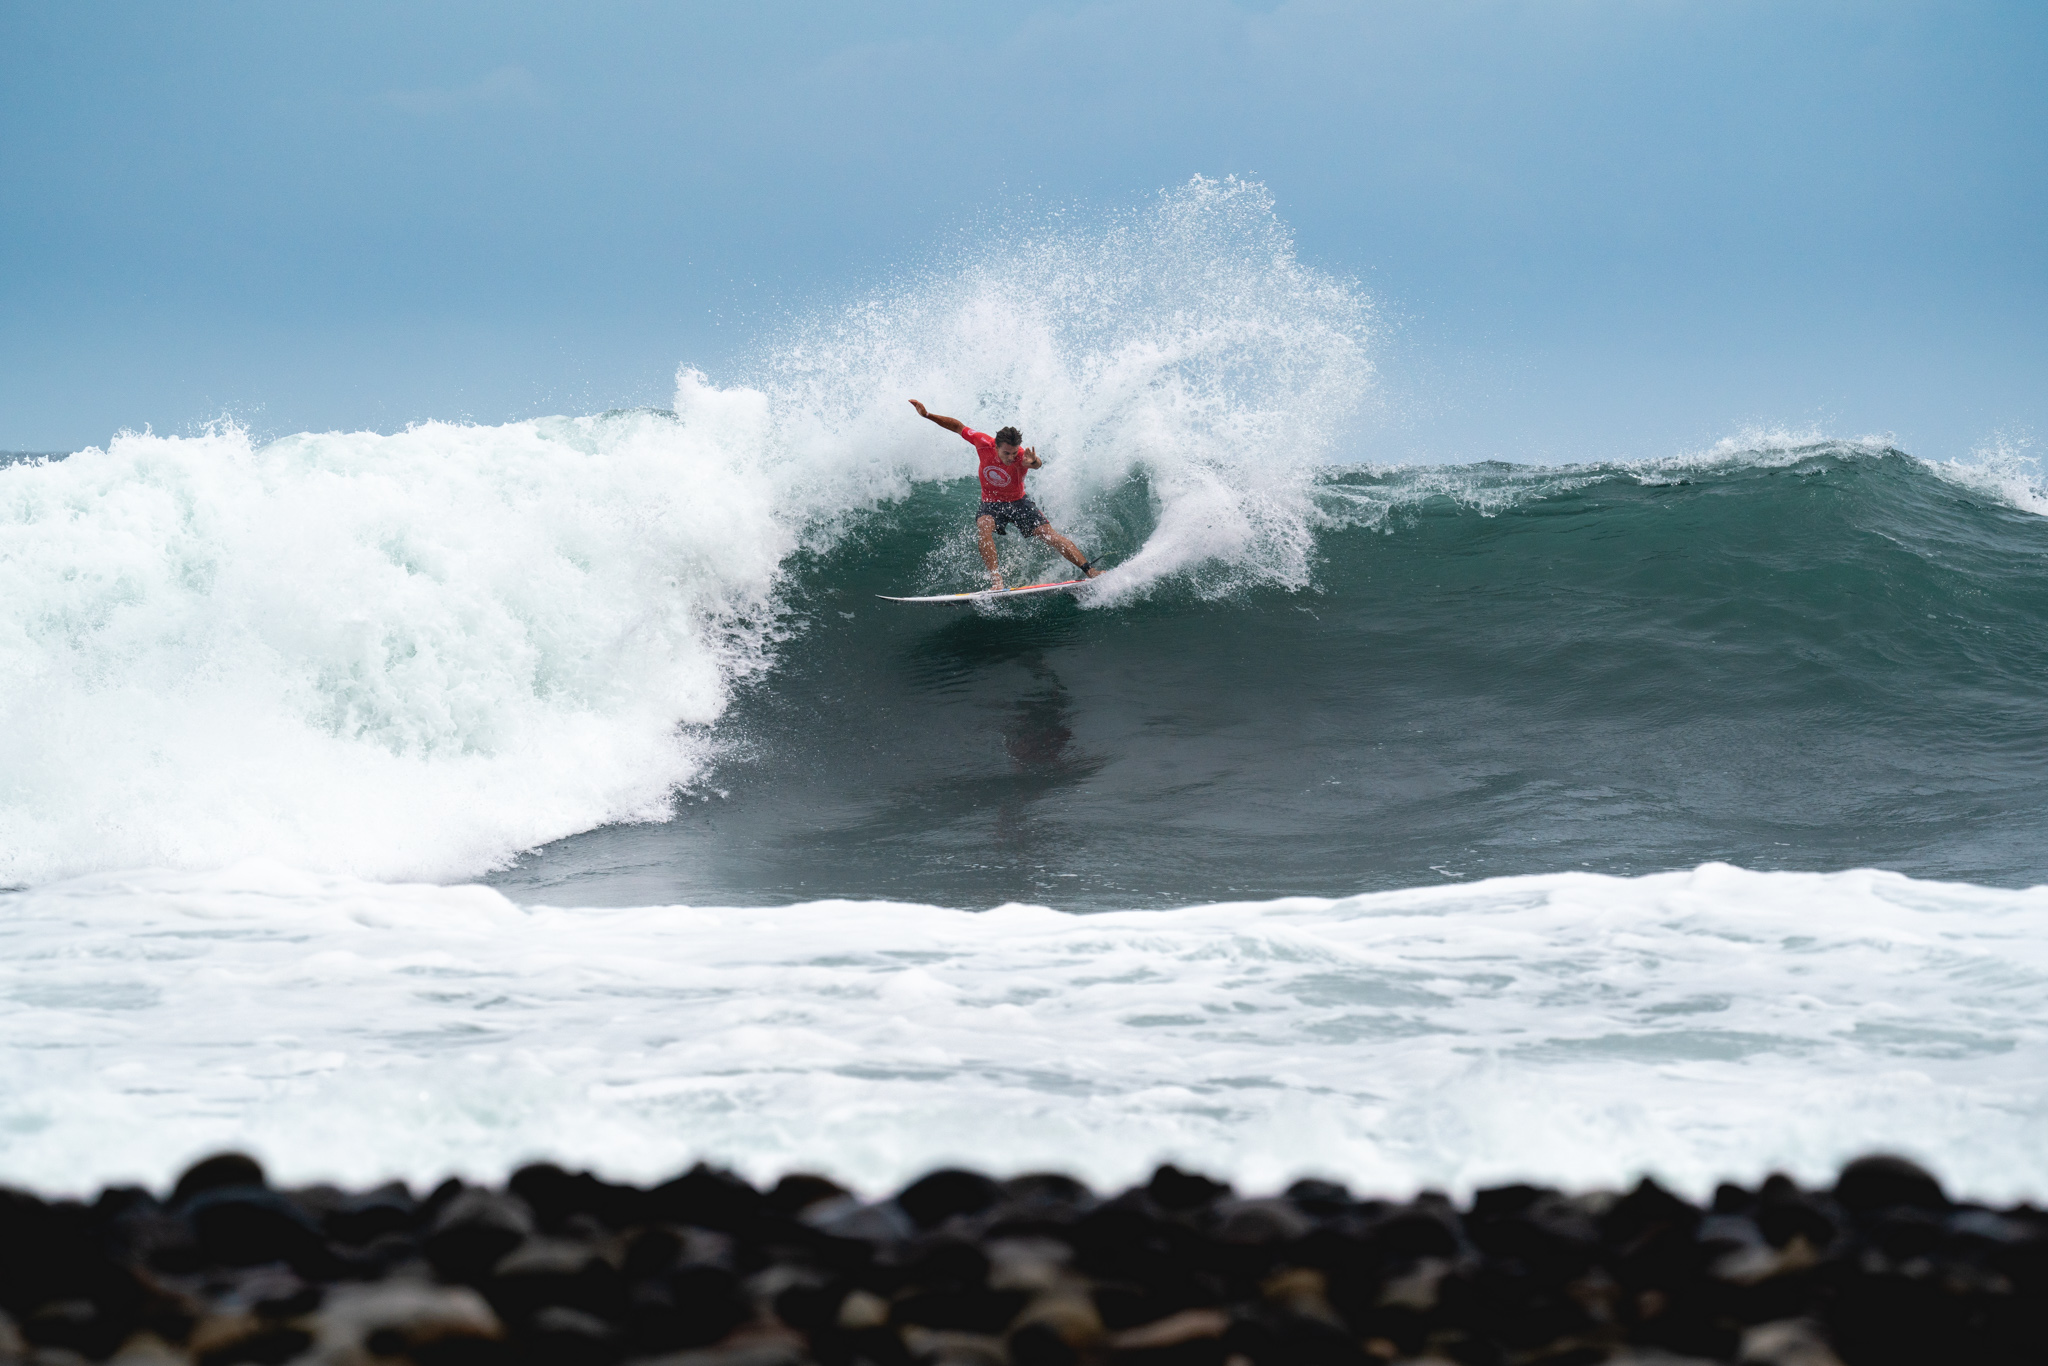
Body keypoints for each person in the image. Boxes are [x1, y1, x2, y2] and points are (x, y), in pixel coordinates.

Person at [908, 400, 1103, 591]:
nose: (1011, 457)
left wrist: (1034, 461)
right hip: (991, 503)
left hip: (1019, 502)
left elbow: (1035, 465)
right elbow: (958, 426)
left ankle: (1090, 570)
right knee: (984, 527)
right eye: (1006, 453)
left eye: (1014, 453)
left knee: (1049, 536)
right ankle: (996, 581)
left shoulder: (1021, 456)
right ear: (995, 447)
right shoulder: (982, 442)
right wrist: (927, 415)